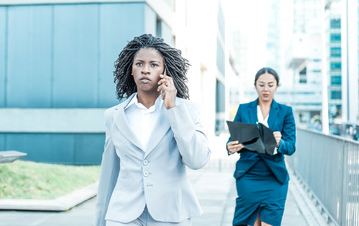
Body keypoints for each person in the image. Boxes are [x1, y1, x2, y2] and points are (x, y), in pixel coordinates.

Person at [95, 34, 211, 226]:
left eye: (154, 65)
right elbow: (109, 173)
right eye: (139, 64)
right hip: (123, 215)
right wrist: (99, 220)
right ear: (130, 70)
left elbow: (197, 160)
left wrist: (173, 109)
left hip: (171, 213)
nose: (145, 70)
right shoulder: (114, 116)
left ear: (165, 70)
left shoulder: (186, 110)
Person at [227, 67, 296, 226]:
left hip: (275, 177)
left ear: (277, 86)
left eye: (270, 85)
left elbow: (291, 147)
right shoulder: (244, 109)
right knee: (253, 223)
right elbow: (233, 138)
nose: (266, 89)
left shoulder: (286, 111)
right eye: (262, 84)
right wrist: (230, 146)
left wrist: (280, 143)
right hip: (249, 175)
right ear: (255, 85)